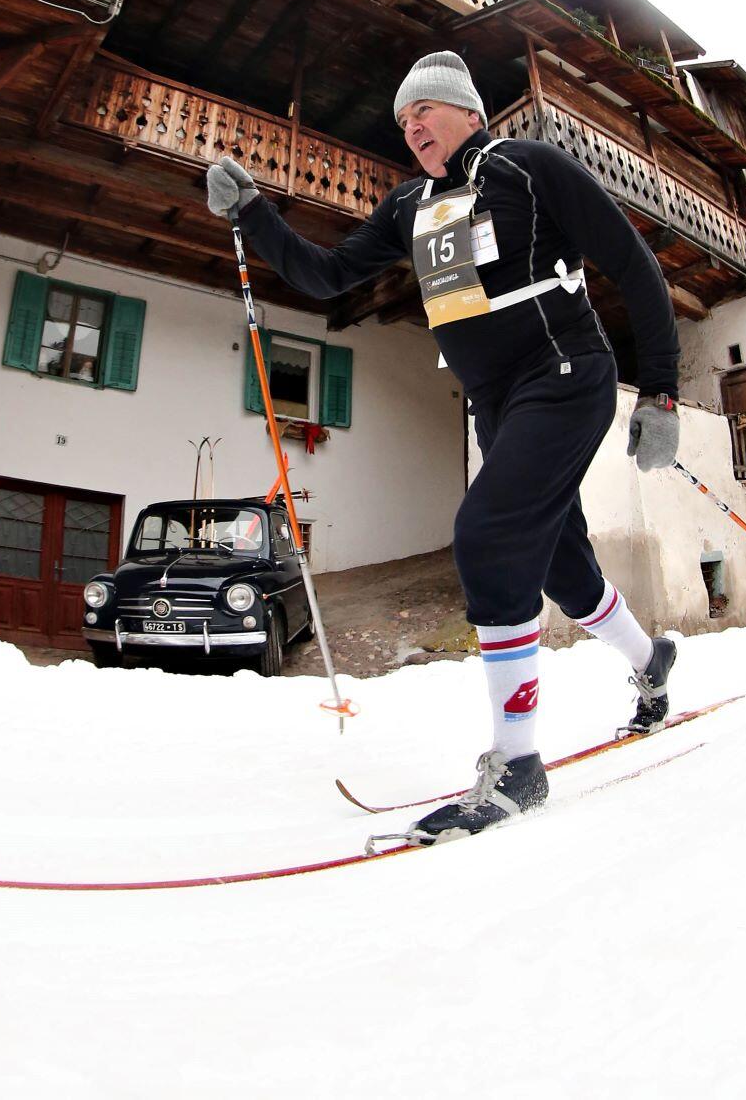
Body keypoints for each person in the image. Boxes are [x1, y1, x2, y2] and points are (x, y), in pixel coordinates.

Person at [205, 51, 681, 845]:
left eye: (425, 109)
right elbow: (325, 276)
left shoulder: (526, 168)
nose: (412, 126)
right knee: (564, 566)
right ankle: (649, 661)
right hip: (496, 405)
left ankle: (518, 766)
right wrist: (254, 213)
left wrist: (660, 391)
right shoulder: (409, 207)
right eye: (402, 120)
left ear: (468, 113)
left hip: (564, 372)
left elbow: (633, 266)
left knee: (489, 537)